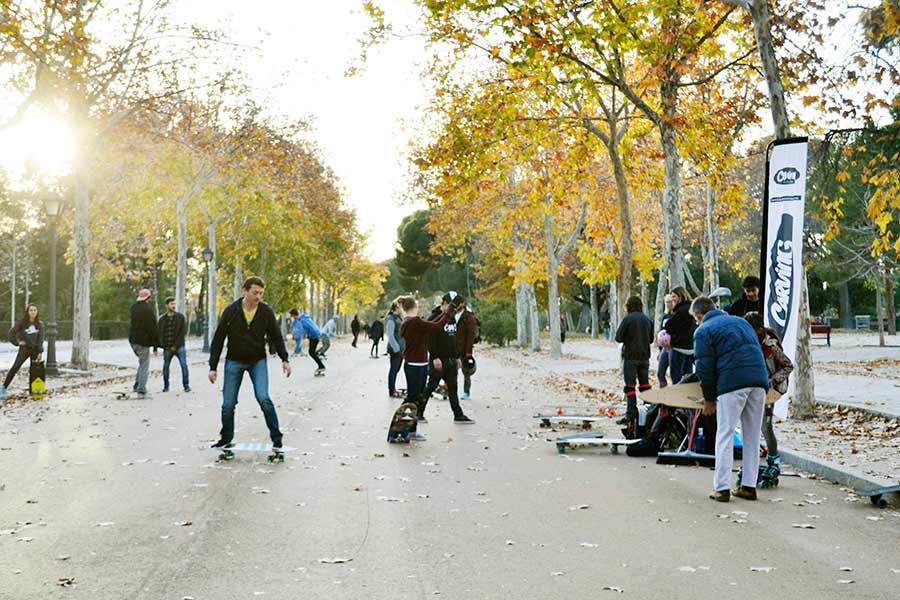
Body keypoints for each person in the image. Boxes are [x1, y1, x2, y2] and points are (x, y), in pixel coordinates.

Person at [691, 296, 769, 502]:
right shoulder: (740, 321)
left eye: (696, 319)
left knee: (724, 433)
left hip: (732, 382)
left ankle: (722, 488)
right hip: (759, 380)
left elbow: (704, 368)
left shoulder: (703, 331)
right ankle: (749, 486)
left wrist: (709, 399)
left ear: (699, 316)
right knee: (752, 436)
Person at [208, 277, 291, 449]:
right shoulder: (231, 311)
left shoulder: (266, 311)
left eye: (261, 293)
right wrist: (213, 367)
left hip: (257, 361)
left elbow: (276, 336)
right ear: (244, 291)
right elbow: (218, 338)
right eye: (254, 292)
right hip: (234, 361)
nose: (258, 296)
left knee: (263, 397)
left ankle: (277, 437)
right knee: (228, 404)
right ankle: (226, 438)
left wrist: (285, 359)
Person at [397, 295, 462, 428]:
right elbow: (437, 326)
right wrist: (451, 310)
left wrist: (446, 312)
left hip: (418, 363)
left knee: (416, 397)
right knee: (413, 398)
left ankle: (407, 425)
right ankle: (406, 426)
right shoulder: (413, 322)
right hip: (414, 365)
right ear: (415, 307)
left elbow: (433, 325)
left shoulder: (412, 321)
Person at [744, 311, 793, 483]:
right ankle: (751, 461)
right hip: (750, 389)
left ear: (759, 329)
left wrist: (773, 380)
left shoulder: (771, 347)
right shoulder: (747, 343)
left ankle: (773, 459)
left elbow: (788, 366)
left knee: (765, 427)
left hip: (768, 392)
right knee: (749, 427)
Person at [420, 292, 475, 424]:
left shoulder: (451, 318)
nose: (453, 309)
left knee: (453, 388)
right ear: (444, 303)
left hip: (451, 360)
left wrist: (457, 357)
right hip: (439, 360)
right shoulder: (434, 317)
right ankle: (419, 412)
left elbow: (454, 338)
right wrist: (434, 357)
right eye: (451, 305)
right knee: (430, 387)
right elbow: (429, 339)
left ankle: (458, 415)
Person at [615, 296, 654, 427]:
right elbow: (651, 339)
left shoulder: (628, 319)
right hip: (644, 357)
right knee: (645, 385)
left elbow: (618, 337)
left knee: (630, 386)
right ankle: (648, 412)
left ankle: (631, 414)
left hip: (631, 357)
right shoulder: (647, 319)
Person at [1, 304, 44, 399]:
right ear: (28, 312)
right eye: (31, 310)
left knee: (33, 371)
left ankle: (32, 391)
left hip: (35, 351)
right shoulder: (22, 323)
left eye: (35, 310)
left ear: (37, 312)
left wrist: (40, 352)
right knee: (15, 368)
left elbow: (41, 339)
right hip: (24, 350)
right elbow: (11, 333)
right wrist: (17, 343)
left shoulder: (40, 324)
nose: (33, 312)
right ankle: (3, 388)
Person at [129, 289, 159, 397]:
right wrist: (156, 344)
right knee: (145, 364)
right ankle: (141, 389)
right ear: (148, 298)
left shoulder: (134, 308)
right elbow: (153, 328)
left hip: (133, 340)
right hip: (143, 341)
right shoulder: (147, 310)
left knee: (142, 363)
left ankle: (137, 384)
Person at [663, 287, 695, 385]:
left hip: (679, 348)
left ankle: (678, 399)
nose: (672, 299)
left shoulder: (681, 310)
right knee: (688, 379)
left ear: (680, 296)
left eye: (674, 296)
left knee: (676, 380)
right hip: (690, 349)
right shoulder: (692, 308)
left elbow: (669, 326)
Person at [158, 297, 190, 393]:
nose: (173, 306)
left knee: (184, 365)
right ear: (167, 305)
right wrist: (157, 346)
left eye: (174, 304)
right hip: (167, 347)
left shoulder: (180, 317)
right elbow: (159, 333)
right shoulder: (162, 319)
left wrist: (175, 346)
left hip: (179, 346)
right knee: (166, 366)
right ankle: (166, 386)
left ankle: (186, 386)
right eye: (171, 304)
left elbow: (181, 333)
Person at [290, 308, 324, 374]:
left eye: (293, 316)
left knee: (311, 352)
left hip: (314, 336)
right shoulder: (304, 318)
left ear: (294, 315)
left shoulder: (303, 320)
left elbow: (312, 328)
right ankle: (320, 364)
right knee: (312, 352)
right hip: (315, 335)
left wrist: (314, 336)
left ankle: (321, 366)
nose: (293, 318)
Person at [456, 303, 478, 400]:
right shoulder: (452, 314)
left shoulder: (468, 316)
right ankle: (450, 391)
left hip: (464, 349)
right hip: (453, 347)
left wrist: (469, 351)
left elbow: (471, 335)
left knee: (466, 372)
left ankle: (466, 392)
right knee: (451, 371)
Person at [385, 302, 405, 398]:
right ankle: (391, 390)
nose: (401, 308)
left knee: (396, 369)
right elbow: (390, 334)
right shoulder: (391, 319)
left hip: (401, 349)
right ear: (395, 308)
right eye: (400, 307)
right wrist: (396, 348)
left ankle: (393, 388)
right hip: (395, 349)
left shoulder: (399, 318)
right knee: (393, 369)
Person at [656, 294, 675, 388]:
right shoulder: (665, 316)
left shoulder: (677, 315)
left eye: (670, 302)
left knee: (674, 374)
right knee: (660, 373)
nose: (668, 304)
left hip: (674, 347)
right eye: (666, 302)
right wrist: (660, 351)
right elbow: (661, 332)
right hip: (664, 347)